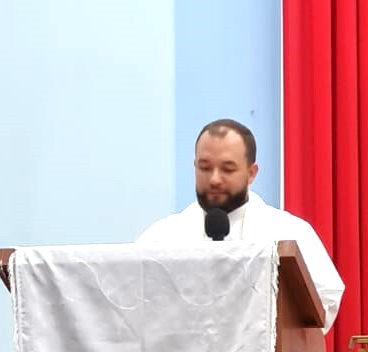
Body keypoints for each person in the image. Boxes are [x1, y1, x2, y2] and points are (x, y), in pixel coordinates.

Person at [137, 118, 345, 334]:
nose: (215, 179)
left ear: (252, 173)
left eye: (227, 169)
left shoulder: (290, 233)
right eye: (205, 167)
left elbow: (325, 301)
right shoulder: (161, 238)